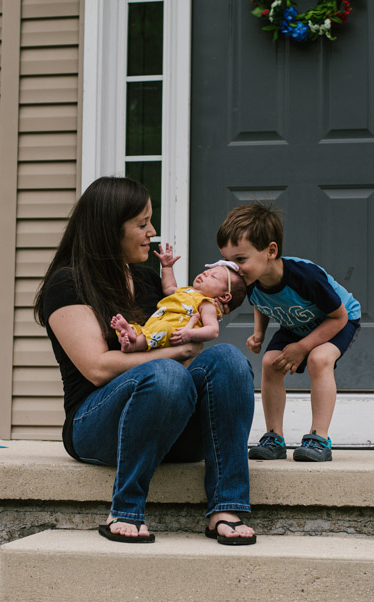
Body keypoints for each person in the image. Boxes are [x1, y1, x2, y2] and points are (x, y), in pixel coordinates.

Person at [33, 176, 256, 545]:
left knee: (229, 359)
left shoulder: (149, 281)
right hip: (96, 426)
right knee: (166, 372)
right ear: (109, 229)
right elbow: (97, 368)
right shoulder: (68, 284)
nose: (152, 232)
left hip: (168, 423)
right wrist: (176, 353)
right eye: (142, 224)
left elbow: (176, 341)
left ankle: (227, 506)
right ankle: (125, 510)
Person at [218, 202, 361, 463]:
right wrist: (259, 333)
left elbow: (338, 317)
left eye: (240, 259)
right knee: (270, 363)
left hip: (337, 318)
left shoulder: (305, 277)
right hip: (297, 323)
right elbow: (261, 302)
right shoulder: (249, 279)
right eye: (227, 261)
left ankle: (319, 438)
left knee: (319, 359)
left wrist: (303, 347)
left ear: (271, 251)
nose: (233, 268)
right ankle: (274, 438)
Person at [110, 245, 246, 352]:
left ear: (224, 296)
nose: (205, 273)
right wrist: (167, 267)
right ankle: (129, 335)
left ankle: (134, 346)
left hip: (174, 331)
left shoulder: (207, 304)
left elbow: (213, 330)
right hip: (156, 322)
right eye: (207, 271)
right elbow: (169, 288)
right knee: (140, 327)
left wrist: (190, 334)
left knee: (162, 328)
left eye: (213, 276)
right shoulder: (187, 291)